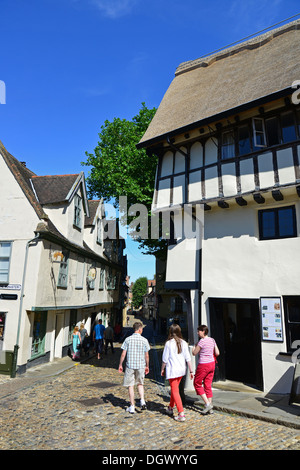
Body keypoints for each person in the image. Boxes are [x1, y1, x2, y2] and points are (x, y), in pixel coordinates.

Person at [161, 324, 193, 422]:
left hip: (173, 370)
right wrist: (191, 371)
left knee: (175, 391)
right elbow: (188, 358)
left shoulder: (168, 343)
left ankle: (181, 413)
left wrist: (162, 369)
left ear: (170, 332)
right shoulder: (184, 343)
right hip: (181, 370)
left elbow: (165, 359)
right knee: (175, 390)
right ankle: (170, 408)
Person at [118, 321, 150, 414]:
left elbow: (123, 354)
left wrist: (120, 364)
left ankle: (132, 406)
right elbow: (147, 355)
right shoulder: (144, 340)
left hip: (130, 366)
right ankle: (142, 401)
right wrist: (147, 366)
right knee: (140, 384)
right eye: (142, 329)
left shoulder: (128, 339)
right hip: (140, 366)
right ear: (139, 329)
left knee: (130, 385)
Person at [192, 325, 220, 415]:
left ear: (203, 331)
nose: (197, 333)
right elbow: (217, 353)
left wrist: (194, 346)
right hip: (212, 364)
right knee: (208, 385)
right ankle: (210, 407)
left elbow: (194, 353)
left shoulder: (201, 342)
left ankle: (207, 404)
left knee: (197, 383)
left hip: (203, 365)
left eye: (199, 331)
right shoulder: (212, 340)